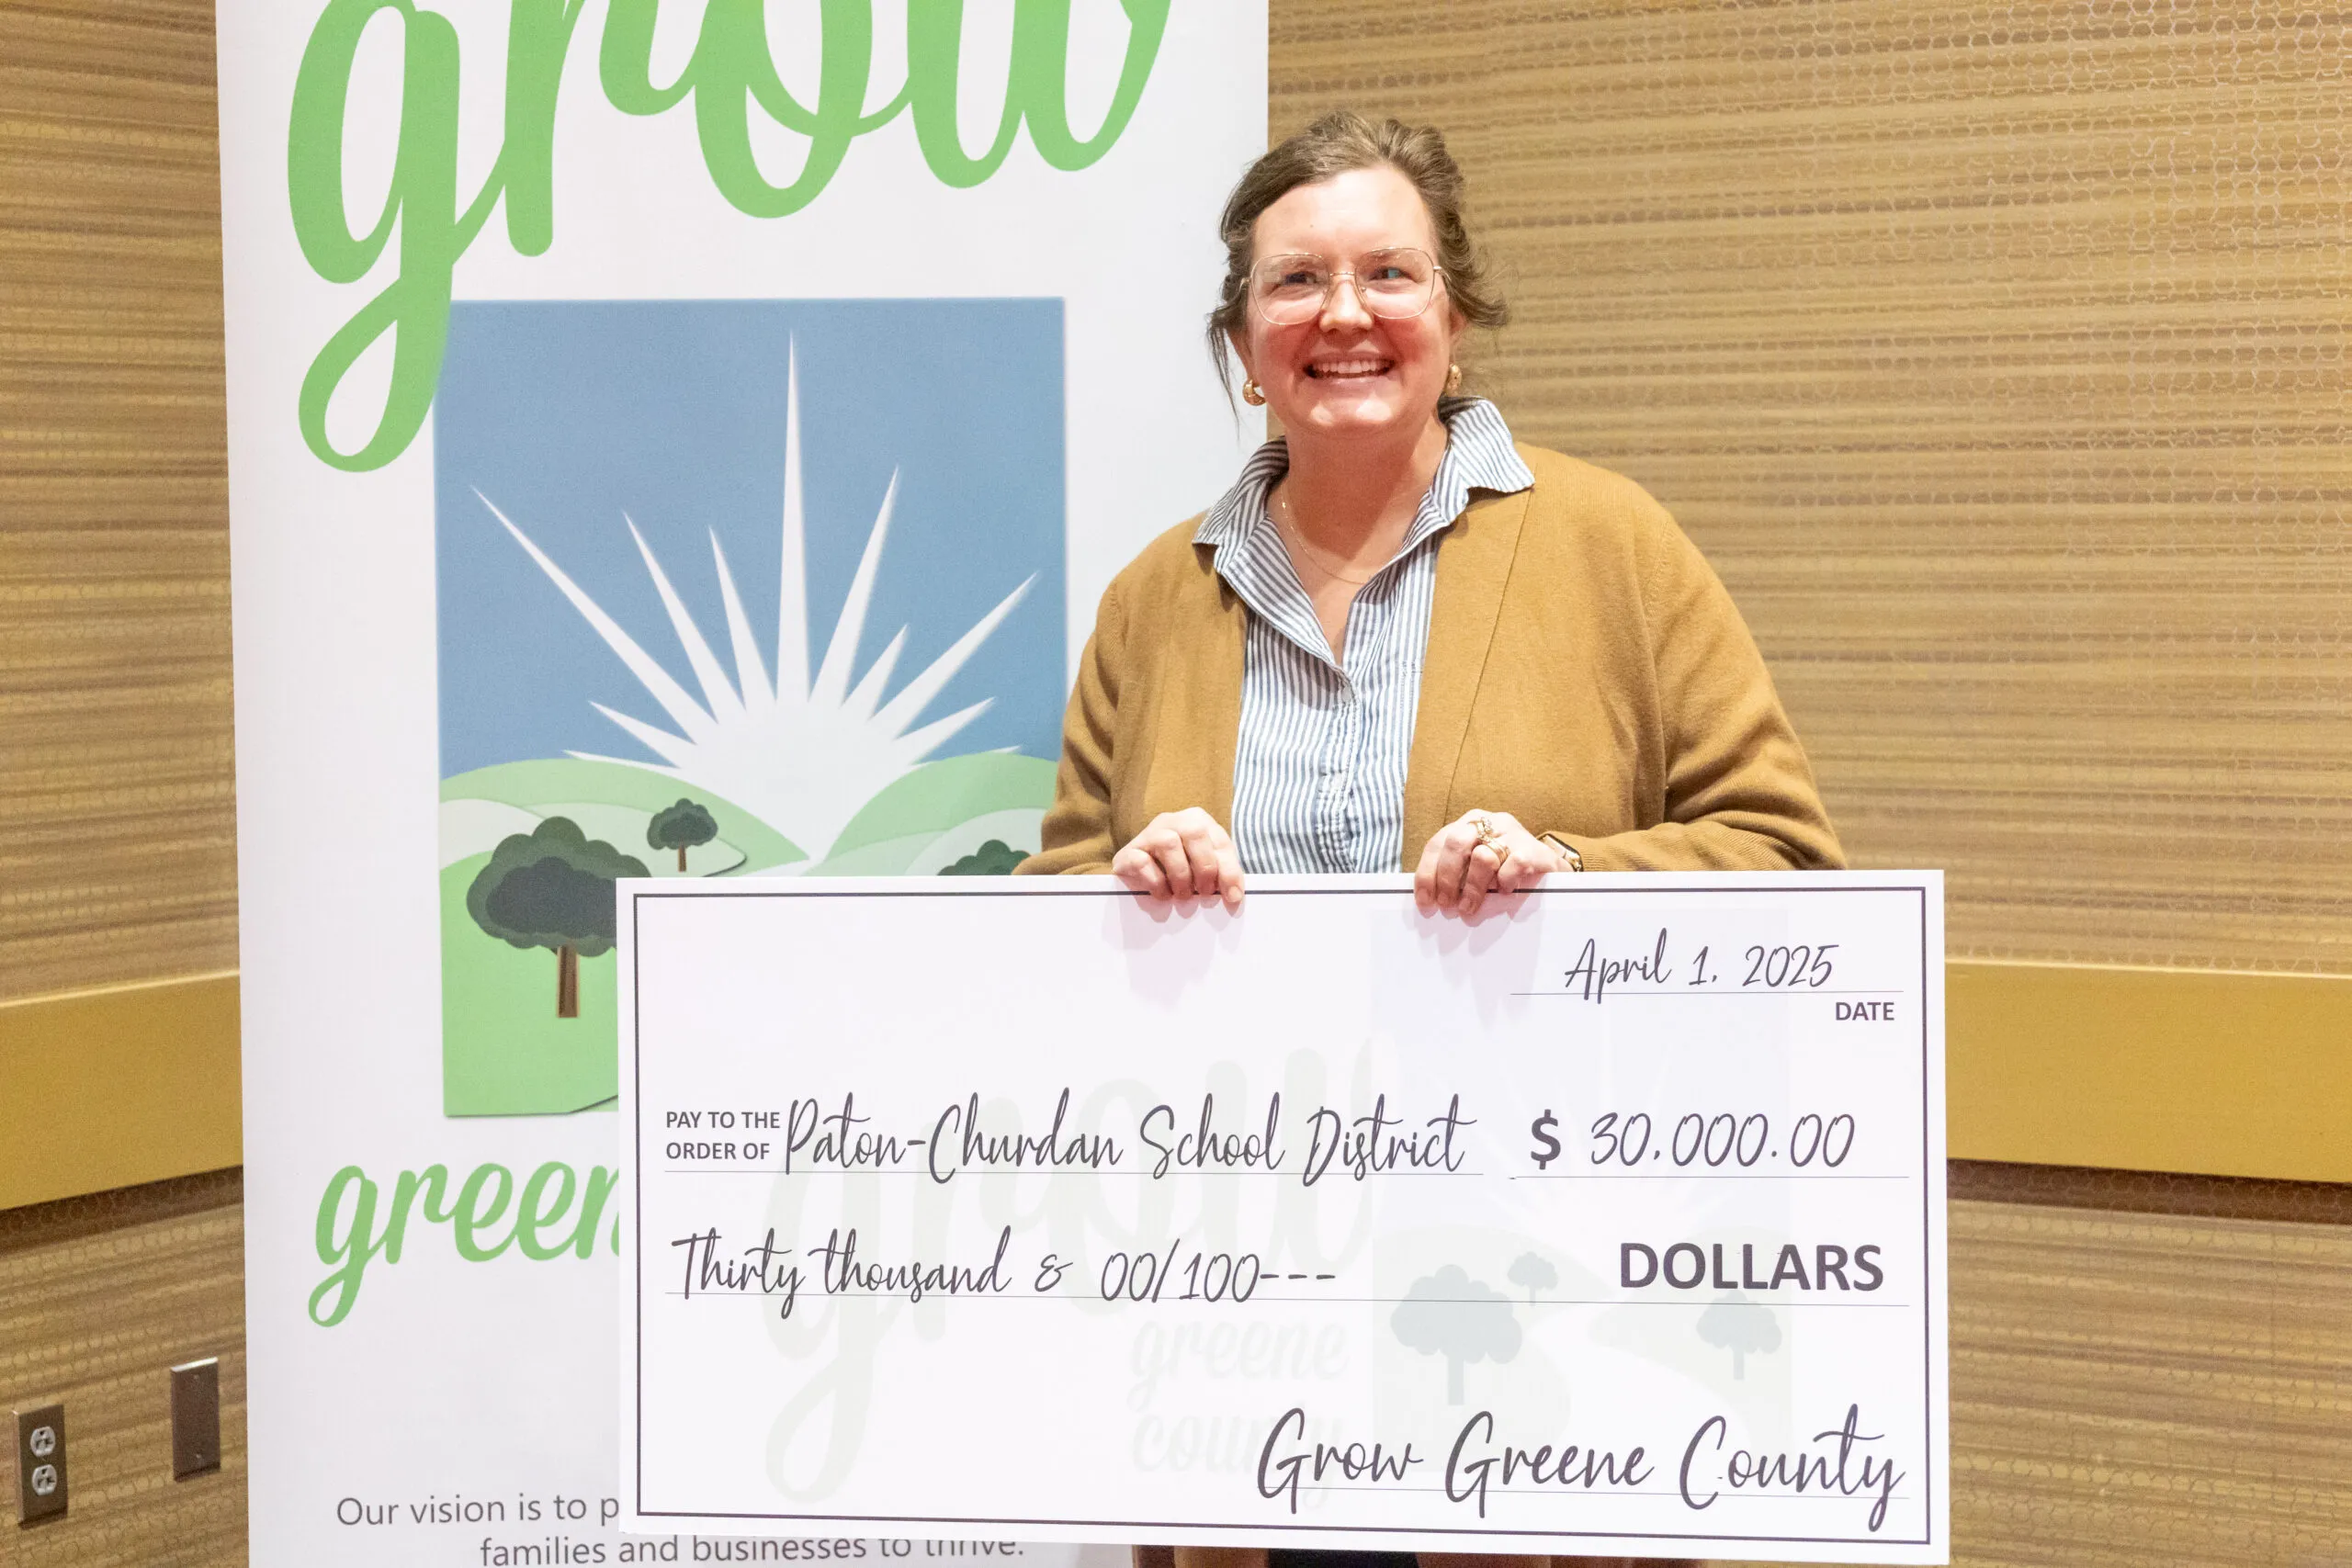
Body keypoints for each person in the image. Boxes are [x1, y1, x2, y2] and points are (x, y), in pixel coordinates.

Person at [1017, 109, 1842, 1568]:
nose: (1343, 313)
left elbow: (1786, 857)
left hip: (1548, 1303)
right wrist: (1126, 891)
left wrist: (1570, 873)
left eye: (1388, 273)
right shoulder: (1153, 600)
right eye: (1295, 281)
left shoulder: (1613, 547)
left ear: (1455, 321)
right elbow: (1045, 921)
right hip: (1232, 1323)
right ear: (1244, 340)